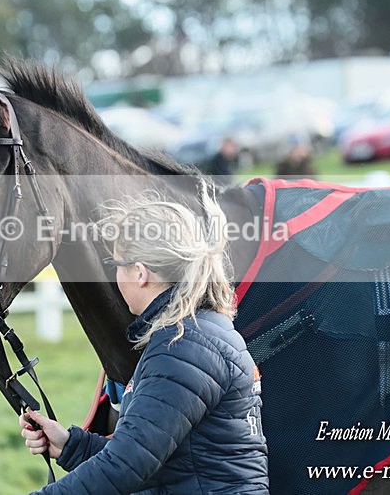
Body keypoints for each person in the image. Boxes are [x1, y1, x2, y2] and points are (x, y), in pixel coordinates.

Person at [19, 188, 269, 494]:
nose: (117, 277)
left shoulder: (184, 345)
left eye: (118, 265)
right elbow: (153, 456)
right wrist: (71, 446)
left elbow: (126, 467)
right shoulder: (194, 333)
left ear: (140, 273)